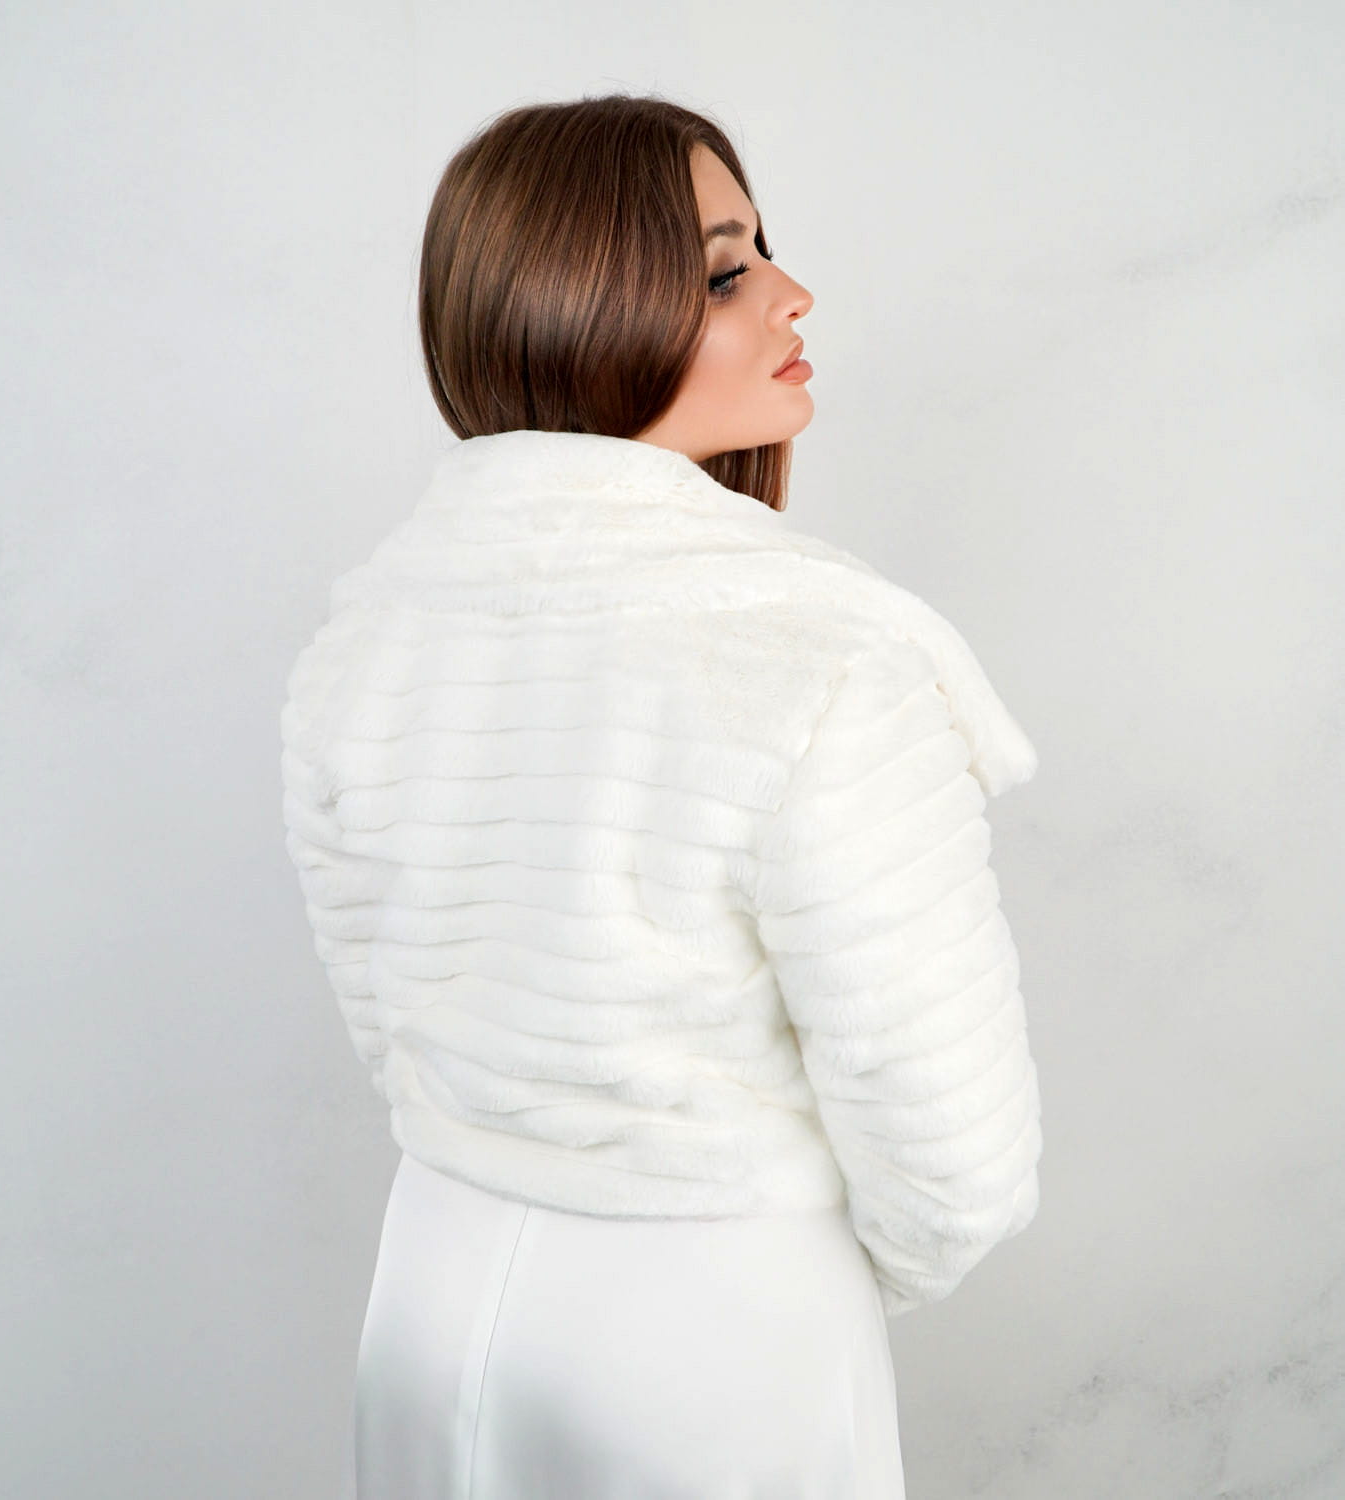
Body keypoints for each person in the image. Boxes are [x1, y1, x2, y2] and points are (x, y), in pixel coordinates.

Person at [280, 91, 1042, 1499]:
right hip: (708, 1333)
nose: (793, 295)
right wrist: (794, 1268)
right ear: (585, 308)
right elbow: (954, 1156)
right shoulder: (815, 657)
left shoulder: (366, 642)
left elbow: (395, 1022)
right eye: (727, 271)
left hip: (433, 1290)